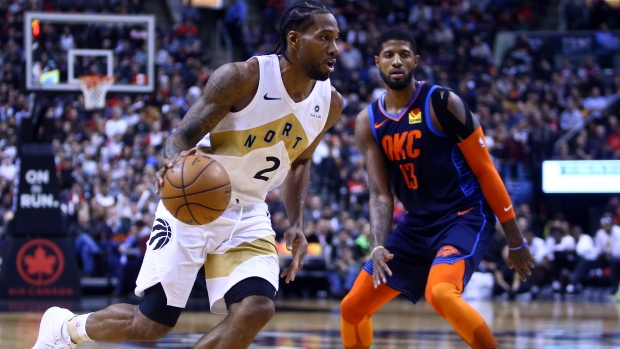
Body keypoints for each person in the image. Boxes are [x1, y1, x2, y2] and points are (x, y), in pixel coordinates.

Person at [32, 2, 342, 349]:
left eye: (337, 39)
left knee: (256, 308)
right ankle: (65, 328)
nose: (335, 48)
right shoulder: (242, 78)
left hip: (249, 211)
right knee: (150, 323)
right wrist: (170, 162)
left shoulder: (330, 103)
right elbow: (180, 137)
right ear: (295, 39)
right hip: (194, 201)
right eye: (325, 38)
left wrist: (297, 221)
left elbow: (301, 161)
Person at [339, 29, 534, 349]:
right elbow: (379, 193)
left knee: (440, 292)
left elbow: (486, 170)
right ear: (377, 63)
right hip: (417, 224)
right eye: (388, 55)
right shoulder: (368, 121)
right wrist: (377, 244)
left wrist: (514, 239)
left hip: (464, 215)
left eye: (404, 54)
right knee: (352, 308)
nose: (396, 61)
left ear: (416, 61)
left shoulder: (443, 103)